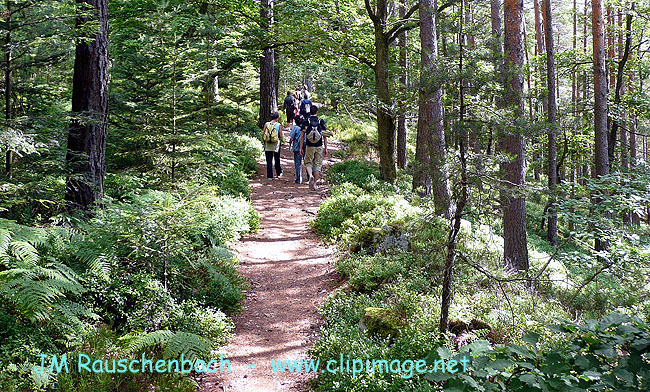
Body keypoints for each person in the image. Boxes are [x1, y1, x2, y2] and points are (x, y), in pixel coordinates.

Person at [300, 105, 327, 190]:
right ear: (317, 112)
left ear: (309, 112)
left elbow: (302, 136)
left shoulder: (306, 121)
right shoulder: (321, 121)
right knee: (317, 165)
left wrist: (301, 147)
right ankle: (315, 184)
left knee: (308, 162)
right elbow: (325, 136)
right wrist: (326, 147)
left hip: (309, 145)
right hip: (319, 146)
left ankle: (310, 175)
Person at [263, 112, 283, 179]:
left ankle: (269, 176)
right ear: (277, 118)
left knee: (269, 160)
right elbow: (280, 135)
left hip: (268, 144)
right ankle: (278, 173)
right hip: (276, 144)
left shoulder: (266, 124)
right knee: (277, 159)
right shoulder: (278, 125)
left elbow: (263, 134)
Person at [289, 115, 304, 184]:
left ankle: (299, 179)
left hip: (297, 148)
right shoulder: (305, 127)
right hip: (306, 147)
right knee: (308, 162)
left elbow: (291, 138)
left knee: (298, 163)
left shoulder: (295, 128)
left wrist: (290, 143)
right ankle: (309, 176)